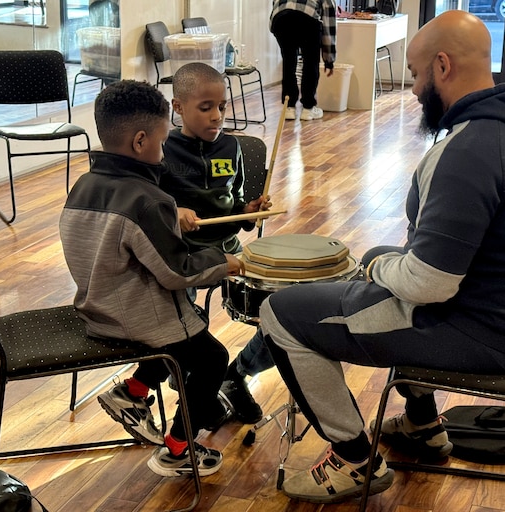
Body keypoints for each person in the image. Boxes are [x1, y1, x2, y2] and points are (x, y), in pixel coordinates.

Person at [259, 10, 505, 504]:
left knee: (279, 314)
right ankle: (423, 426)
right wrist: (386, 262)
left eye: (414, 74)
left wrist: (376, 268)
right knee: (386, 257)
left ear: (443, 66)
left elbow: (429, 284)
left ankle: (352, 458)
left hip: (484, 330)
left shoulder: (470, 149)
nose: (411, 90)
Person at [59, 79, 245, 477]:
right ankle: (178, 449)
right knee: (212, 357)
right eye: (162, 142)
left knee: (185, 341)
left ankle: (134, 392)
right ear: (142, 141)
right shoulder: (147, 200)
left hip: (96, 306)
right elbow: (177, 271)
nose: (163, 152)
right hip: (133, 318)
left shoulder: (84, 184)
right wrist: (225, 261)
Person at [159, 62, 272, 426]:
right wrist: (173, 210)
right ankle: (193, 382)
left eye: (221, 106)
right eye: (205, 107)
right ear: (178, 107)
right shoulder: (163, 150)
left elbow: (235, 206)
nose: (216, 116)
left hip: (227, 247)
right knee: (181, 321)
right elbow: (147, 207)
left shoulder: (230, 147)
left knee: (279, 309)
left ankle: (236, 375)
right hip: (183, 254)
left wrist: (248, 211)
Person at [270, 0, 336, 121]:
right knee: (311, 64)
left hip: (281, 19)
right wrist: (329, 60)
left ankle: (288, 107)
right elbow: (328, 24)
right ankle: (308, 108)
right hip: (307, 19)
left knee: (288, 63)